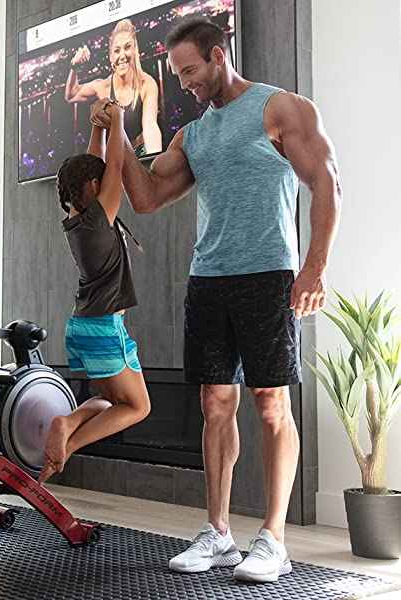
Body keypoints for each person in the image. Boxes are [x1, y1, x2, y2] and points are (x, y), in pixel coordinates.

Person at [97, 18, 341, 583]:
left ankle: (274, 537)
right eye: (177, 75)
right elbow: (148, 196)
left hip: (268, 276)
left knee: (270, 403)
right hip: (209, 279)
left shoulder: (280, 109)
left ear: (217, 55)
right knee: (214, 404)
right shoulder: (194, 136)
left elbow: (327, 180)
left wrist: (315, 267)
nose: (184, 84)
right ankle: (219, 532)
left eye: (190, 71)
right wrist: (118, 133)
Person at [38, 99, 151, 485]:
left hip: (84, 326)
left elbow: (97, 167)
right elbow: (115, 167)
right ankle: (67, 445)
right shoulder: (99, 219)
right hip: (104, 327)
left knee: (109, 403)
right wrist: (118, 122)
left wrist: (98, 131)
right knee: (137, 407)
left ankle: (68, 420)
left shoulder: (78, 218)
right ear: (93, 187)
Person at [64, 19, 162, 156]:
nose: (122, 55)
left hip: (140, 154)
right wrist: (74, 66)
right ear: (111, 57)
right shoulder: (103, 87)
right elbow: (71, 95)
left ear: (135, 50)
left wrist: (152, 161)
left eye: (127, 47)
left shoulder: (147, 84)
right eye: (117, 50)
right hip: (114, 157)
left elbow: (150, 126)